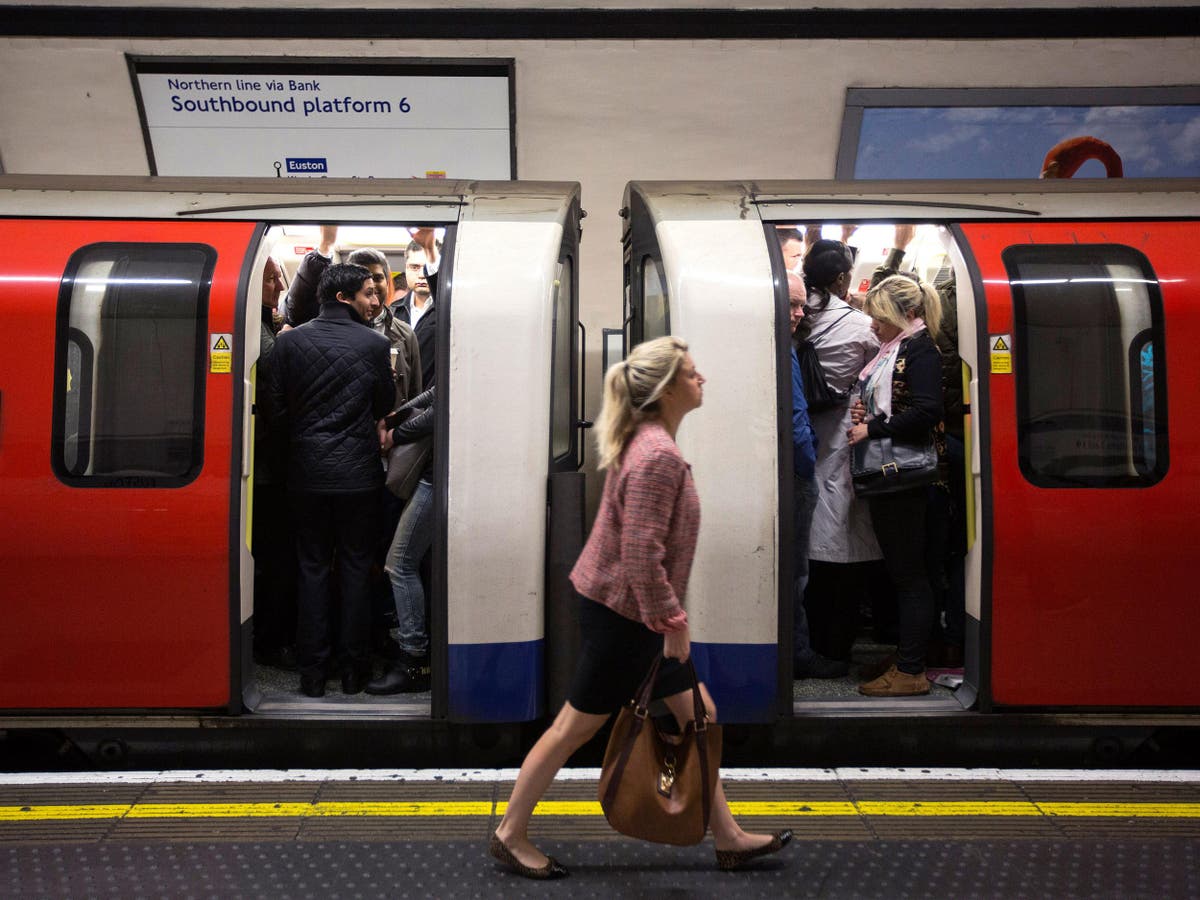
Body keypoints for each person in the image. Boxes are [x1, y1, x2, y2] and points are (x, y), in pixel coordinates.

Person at [489, 336, 792, 880]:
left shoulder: (652, 443)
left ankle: (728, 836)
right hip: (626, 618)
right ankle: (510, 833)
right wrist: (671, 621)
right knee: (573, 729)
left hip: (636, 613)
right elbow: (638, 553)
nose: (703, 381)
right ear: (669, 388)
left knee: (699, 715)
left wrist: (665, 618)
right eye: (694, 374)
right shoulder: (658, 456)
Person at [268, 264, 396, 697]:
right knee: (358, 569)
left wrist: (303, 436)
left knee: (312, 569)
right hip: (359, 476)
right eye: (366, 293)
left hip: (305, 475)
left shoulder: (289, 344)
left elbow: (274, 409)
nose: (373, 300)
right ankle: (354, 672)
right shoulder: (376, 345)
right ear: (343, 298)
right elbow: (384, 402)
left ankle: (313, 675)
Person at [847, 275, 945, 696]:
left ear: (907, 316)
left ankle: (911, 670)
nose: (874, 326)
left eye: (880, 320)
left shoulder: (920, 350)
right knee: (903, 572)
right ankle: (911, 654)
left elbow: (926, 411)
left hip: (907, 479)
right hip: (896, 478)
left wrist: (874, 427)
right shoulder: (897, 348)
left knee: (909, 575)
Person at [800, 240, 881, 667]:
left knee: (809, 546)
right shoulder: (860, 326)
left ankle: (810, 640)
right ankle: (836, 646)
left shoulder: (795, 315)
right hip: (841, 436)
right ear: (841, 279)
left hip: (802, 434)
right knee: (846, 542)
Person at [786, 273, 847, 679]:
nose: (799, 313)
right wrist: (807, 464)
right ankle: (798, 655)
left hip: (792, 471)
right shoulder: (782, 349)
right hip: (794, 475)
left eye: (801, 305)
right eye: (790, 304)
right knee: (796, 573)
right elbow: (795, 420)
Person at [367, 385, 436, 694]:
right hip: (436, 472)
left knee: (400, 563)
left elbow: (438, 410)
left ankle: (413, 661)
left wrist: (394, 434)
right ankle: (415, 653)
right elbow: (436, 392)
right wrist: (393, 418)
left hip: (437, 478)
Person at [252, 257, 297, 670]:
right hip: (262, 467)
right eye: (268, 278)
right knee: (273, 558)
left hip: (272, 463)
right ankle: (268, 640)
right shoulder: (260, 329)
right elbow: (268, 365)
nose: (277, 284)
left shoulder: (274, 323)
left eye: (278, 277)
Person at [390, 233, 440, 388]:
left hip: (435, 402)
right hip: (398, 403)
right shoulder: (392, 312)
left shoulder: (446, 311)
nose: (421, 275)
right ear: (406, 268)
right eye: (414, 267)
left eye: (426, 268)